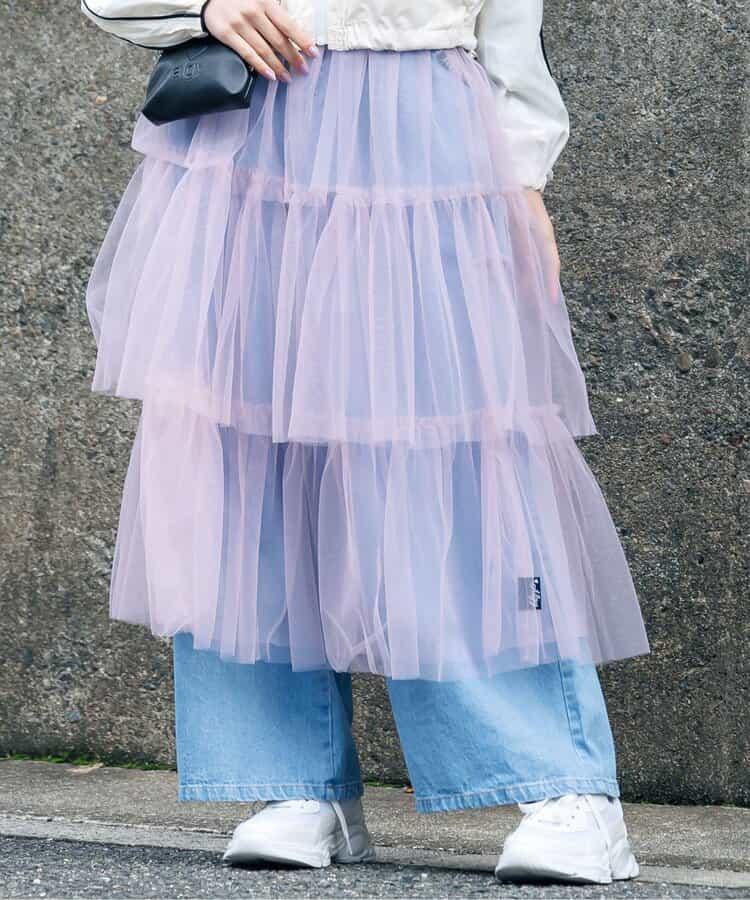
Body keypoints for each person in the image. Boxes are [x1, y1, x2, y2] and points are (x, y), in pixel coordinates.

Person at [81, 0, 650, 884]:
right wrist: (205, 5)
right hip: (248, 131)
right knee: (245, 457)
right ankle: (292, 782)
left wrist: (524, 174)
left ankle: (561, 784)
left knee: (453, 457)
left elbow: (510, 26)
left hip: (425, 133)